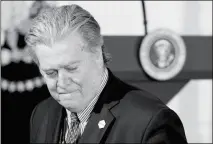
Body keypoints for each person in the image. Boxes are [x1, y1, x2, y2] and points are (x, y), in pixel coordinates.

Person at [25, 4, 188, 143]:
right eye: (51, 72)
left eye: (71, 68)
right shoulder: (42, 113)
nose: (62, 82)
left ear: (98, 55)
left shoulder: (151, 122)